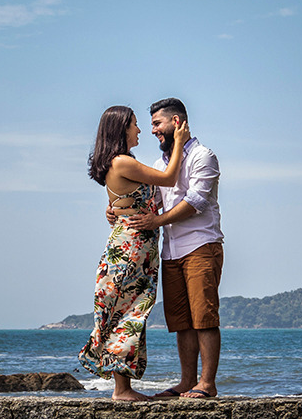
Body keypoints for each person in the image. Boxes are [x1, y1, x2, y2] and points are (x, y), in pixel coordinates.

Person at [78, 104, 190, 401]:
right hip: (131, 250)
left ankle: (123, 388)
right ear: (121, 129)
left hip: (136, 247)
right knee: (127, 315)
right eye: (135, 124)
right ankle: (122, 390)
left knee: (129, 314)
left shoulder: (122, 163)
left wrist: (115, 211)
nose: (140, 130)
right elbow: (168, 178)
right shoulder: (122, 162)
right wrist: (178, 143)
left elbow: (128, 201)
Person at [124, 98, 223, 399]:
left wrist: (156, 221)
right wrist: (116, 211)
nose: (153, 130)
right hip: (171, 252)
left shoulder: (203, 156)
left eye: (157, 123)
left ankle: (207, 383)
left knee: (204, 317)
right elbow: (151, 203)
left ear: (176, 122)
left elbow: (196, 202)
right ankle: (186, 381)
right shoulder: (159, 165)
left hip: (201, 244)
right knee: (181, 321)